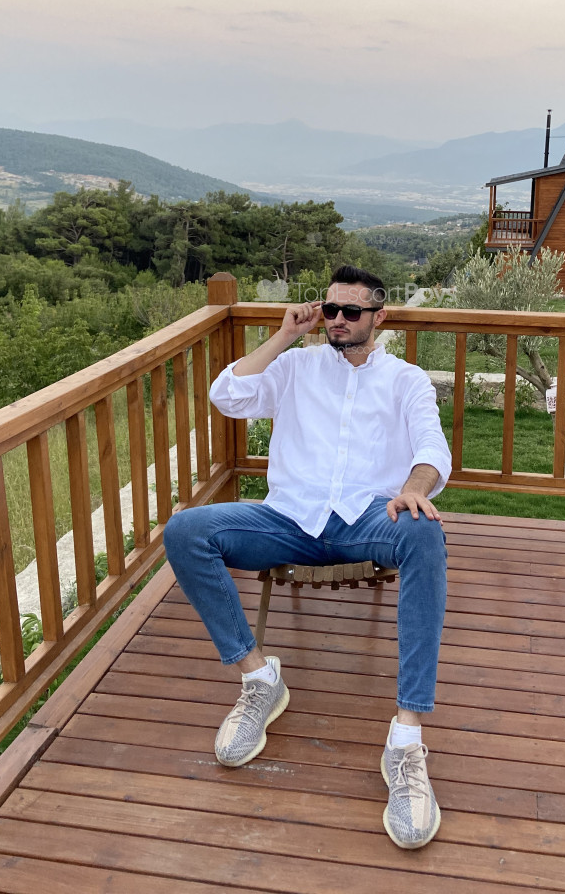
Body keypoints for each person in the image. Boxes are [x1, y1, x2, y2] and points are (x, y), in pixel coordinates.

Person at [164, 264, 451, 849]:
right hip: (289, 519)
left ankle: (406, 739)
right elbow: (227, 395)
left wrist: (414, 489)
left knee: (425, 532)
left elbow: (431, 448)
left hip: (369, 518)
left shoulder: (406, 379)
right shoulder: (295, 365)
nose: (338, 320)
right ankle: (259, 678)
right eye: (331, 309)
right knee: (185, 530)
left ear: (378, 317)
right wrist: (284, 335)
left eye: (351, 311)